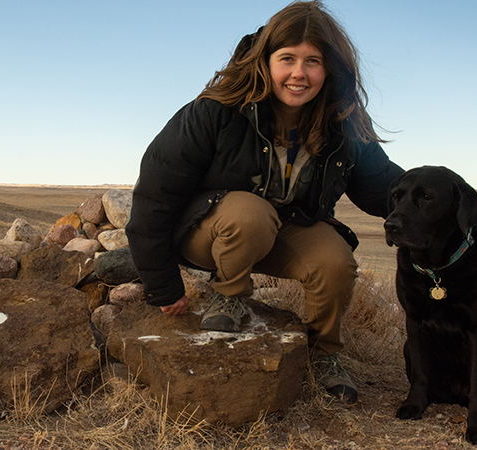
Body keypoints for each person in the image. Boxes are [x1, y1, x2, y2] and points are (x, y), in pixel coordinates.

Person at [124, 0, 404, 403]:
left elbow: (386, 187)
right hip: (208, 231)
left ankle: (324, 355)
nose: (299, 73)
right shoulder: (216, 110)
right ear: (266, 59)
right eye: (287, 58)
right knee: (250, 214)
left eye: (313, 61)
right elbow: (154, 195)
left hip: (282, 229)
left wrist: (472, 222)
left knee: (334, 259)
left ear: (330, 69)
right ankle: (229, 295)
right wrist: (163, 286)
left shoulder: (342, 124)